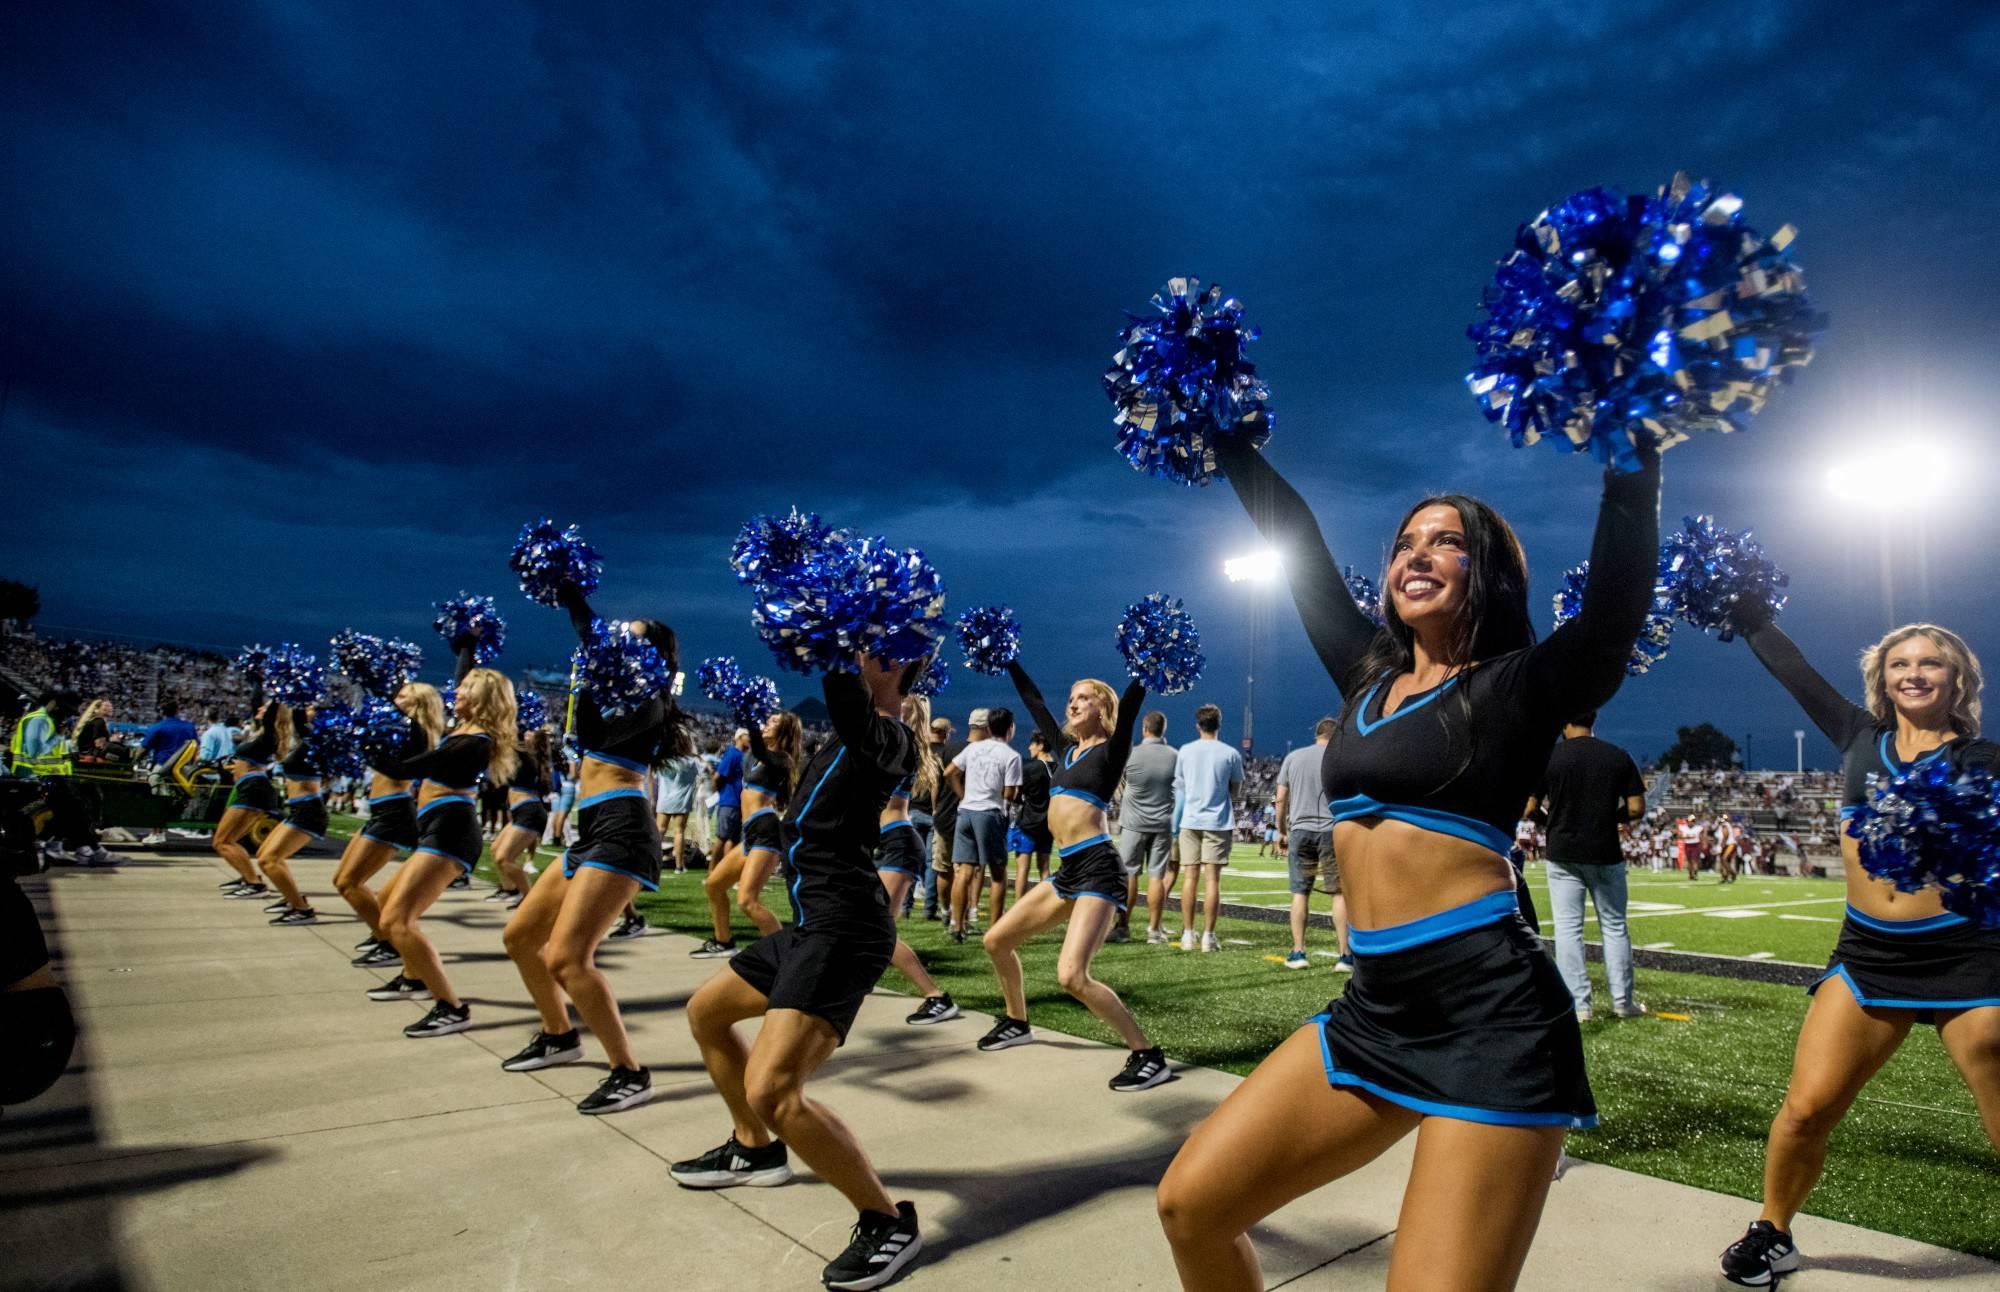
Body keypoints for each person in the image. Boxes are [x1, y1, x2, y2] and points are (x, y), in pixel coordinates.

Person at [1155, 421, 1659, 1289]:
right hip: (1373, 1010)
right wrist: (1223, 438)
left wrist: (1631, 447)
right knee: (1190, 1206)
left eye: (1448, 543)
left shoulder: (1520, 684)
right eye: (1404, 544)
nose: (1417, 556)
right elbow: (1301, 543)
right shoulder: (1365, 677)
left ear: (1488, 573)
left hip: (1490, 1016)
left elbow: (1614, 608)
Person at [1716, 619, 2000, 1287]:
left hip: (1969, 953)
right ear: (1882, 678)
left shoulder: (1983, 761)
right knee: (1808, 1106)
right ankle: (1773, 1230)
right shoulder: (1858, 736)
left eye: (1932, 663)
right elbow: (1794, 670)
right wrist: (1748, 610)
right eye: (1901, 662)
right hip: (1870, 954)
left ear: (1957, 680)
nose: (1915, 672)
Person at [671, 653, 928, 1290]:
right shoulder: (850, 733)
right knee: (707, 1012)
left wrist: (834, 631)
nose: (861, 656)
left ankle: (887, 1219)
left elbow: (846, 696)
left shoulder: (889, 735)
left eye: (871, 649)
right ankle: (753, 1148)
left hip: (846, 929)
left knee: (774, 1089)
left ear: (895, 662)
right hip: (811, 923)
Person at [497, 582, 688, 1112]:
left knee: (567, 957)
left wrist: (577, 609)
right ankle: (559, 1035)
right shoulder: (608, 692)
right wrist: (569, 593)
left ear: (651, 659)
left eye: (632, 639)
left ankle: (629, 1071)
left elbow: (593, 660)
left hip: (624, 828)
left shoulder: (649, 703)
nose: (618, 643)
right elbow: (591, 637)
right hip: (591, 827)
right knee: (520, 937)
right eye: (618, 637)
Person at [977, 655, 1168, 1090]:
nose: (1074, 704)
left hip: (1099, 869)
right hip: (1068, 870)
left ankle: (1147, 1054)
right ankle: (1016, 1021)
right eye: (1073, 698)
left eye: (1085, 698)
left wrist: (1147, 658)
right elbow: (1034, 701)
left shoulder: (1112, 748)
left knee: (1071, 976)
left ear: (1103, 707)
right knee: (996, 941)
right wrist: (1009, 659)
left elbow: (1134, 702)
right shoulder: (1065, 751)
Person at [366, 638, 516, 1038]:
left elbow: (403, 767)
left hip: (451, 830)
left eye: (467, 688)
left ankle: (450, 1006)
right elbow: (460, 674)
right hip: (436, 826)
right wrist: (466, 643)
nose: (457, 690)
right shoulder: (463, 730)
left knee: (397, 920)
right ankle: (413, 976)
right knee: (387, 903)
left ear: (482, 698)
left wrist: (361, 743)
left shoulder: (473, 742)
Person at [1525, 711, 1646, 1021]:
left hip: (1563, 850)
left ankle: (1579, 1005)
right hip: (1605, 850)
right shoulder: (1617, 756)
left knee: (1568, 930)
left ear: (1564, 724)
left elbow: (1528, 808)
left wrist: (1552, 821)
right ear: (1593, 721)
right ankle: (1623, 1002)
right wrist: (1608, 820)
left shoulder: (1549, 756)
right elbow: (1635, 809)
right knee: (1615, 927)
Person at [338, 682, 448, 968]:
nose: (394, 700)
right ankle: (383, 936)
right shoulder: (402, 729)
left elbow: (398, 767)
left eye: (401, 695)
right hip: (382, 811)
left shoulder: (415, 732)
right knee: (343, 881)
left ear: (418, 703)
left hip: (394, 813)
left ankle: (389, 940)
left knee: (350, 883)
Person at [693, 710, 806, 959]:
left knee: (747, 901)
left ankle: (784, 959)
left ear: (786, 731)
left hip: (766, 833)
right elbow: (751, 749)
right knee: (714, 885)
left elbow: (758, 746)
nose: (767, 724)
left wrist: (751, 719)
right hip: (750, 833)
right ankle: (723, 941)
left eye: (774, 722)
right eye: (767, 720)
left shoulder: (782, 759)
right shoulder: (757, 758)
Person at [876, 692, 958, 1025]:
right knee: (865, 921)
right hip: (890, 841)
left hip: (899, 842)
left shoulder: (904, 744)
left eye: (901, 709)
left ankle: (936, 996)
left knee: (879, 927)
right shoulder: (900, 742)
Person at [251, 704, 334, 925]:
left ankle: (302, 909)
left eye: (310, 709)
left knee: (269, 860)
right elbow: (296, 719)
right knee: (264, 856)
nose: (304, 710)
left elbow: (296, 717)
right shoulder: (310, 740)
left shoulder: (316, 743)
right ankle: (292, 898)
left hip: (309, 812)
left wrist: (289, 693)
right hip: (299, 809)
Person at [945, 708, 1021, 942]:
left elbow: (949, 772)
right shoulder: (1011, 756)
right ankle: (995, 929)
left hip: (966, 812)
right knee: (998, 874)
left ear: (988, 728)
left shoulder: (974, 748)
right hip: (989, 813)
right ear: (1010, 728)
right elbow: (1009, 793)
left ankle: (957, 926)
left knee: (964, 871)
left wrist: (963, 795)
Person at [1277, 718, 1347, 971]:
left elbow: (1281, 798)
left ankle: (1299, 952)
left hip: (1301, 830)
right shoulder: (1340, 758)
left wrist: (1281, 831)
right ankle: (1345, 956)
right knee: (1338, 893)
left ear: (1316, 734)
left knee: (1299, 893)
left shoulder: (1294, 757)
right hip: (1331, 830)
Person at [8, 690, 108, 867]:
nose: (68, 714)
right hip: (34, 776)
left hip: (48, 775)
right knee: (75, 805)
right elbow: (35, 753)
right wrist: (58, 737)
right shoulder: (38, 720)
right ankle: (85, 848)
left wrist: (69, 755)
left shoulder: (47, 721)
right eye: (66, 709)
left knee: (82, 799)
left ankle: (72, 846)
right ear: (53, 704)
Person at [1173, 704, 1242, 952]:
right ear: (1218, 724)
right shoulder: (1230, 753)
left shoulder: (1185, 751)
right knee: (1212, 880)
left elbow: (1180, 786)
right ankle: (1208, 937)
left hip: (1190, 819)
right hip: (1218, 820)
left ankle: (1188, 935)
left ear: (1198, 725)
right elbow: (1236, 790)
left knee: (1189, 878)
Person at [211, 690, 293, 899]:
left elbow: (263, 705)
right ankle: (248, 877)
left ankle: (254, 884)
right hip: (252, 789)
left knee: (222, 842)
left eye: (263, 708)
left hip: (253, 790)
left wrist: (262, 682)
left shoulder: (269, 736)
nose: (259, 709)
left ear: (272, 715)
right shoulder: (264, 734)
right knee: (231, 839)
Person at [1118, 711, 1179, 944]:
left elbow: (1120, 782)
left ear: (1145, 728)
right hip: (1162, 822)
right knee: (1157, 876)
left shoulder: (1131, 753)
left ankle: (1123, 926)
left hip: (1133, 822)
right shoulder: (1175, 755)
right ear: (1163, 729)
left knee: (1130, 874)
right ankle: (1154, 929)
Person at [489, 724, 554, 906]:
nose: (526, 733)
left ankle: (530, 900)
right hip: (522, 811)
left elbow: (508, 741)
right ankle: (509, 889)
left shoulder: (528, 756)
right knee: (496, 849)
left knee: (504, 857)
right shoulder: (525, 755)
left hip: (529, 811)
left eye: (531, 731)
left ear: (537, 738)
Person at [923, 716, 961, 920]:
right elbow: (938, 783)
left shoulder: (919, 750)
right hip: (936, 812)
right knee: (936, 865)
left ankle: (905, 904)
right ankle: (932, 908)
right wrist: (935, 808)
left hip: (910, 809)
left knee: (911, 860)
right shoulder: (947, 753)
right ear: (946, 734)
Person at [1013, 729, 1054, 900]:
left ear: (1041, 745)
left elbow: (1016, 794)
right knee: (1044, 867)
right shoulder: (1058, 768)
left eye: (1032, 744)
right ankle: (1046, 907)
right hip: (1048, 823)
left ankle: (1018, 909)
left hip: (1028, 822)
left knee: (1023, 868)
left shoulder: (1030, 768)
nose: (1029, 748)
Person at [655, 747, 699, 876]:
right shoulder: (690, 761)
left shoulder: (663, 761)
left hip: (664, 799)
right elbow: (699, 774)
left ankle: (653, 862)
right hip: (682, 800)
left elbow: (656, 776)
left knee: (659, 830)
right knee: (679, 832)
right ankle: (679, 866)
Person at [709, 729, 747, 870]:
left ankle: (726, 871)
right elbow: (717, 777)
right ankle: (711, 871)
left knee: (734, 839)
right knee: (722, 837)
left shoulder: (743, 755)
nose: (749, 739)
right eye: (747, 736)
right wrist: (720, 793)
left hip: (738, 803)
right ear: (739, 738)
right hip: (730, 802)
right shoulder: (732, 754)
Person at [137, 701, 197, 771]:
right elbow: (196, 748)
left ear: (161, 712)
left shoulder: (156, 727)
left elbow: (144, 749)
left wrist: (136, 760)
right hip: (183, 769)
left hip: (162, 767)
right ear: (177, 711)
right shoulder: (189, 727)